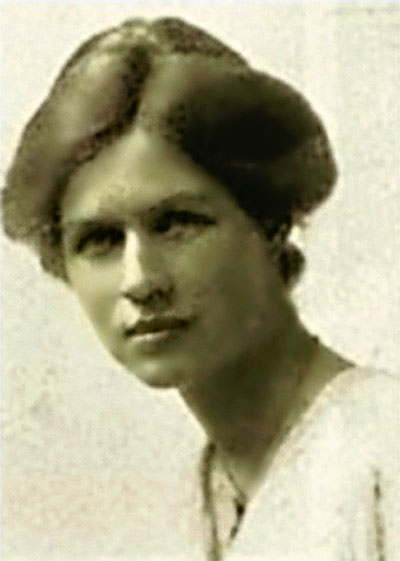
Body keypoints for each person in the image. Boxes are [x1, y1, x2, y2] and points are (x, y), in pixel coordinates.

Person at [2, 16, 399, 561]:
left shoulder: (384, 452)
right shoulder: (191, 497)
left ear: (270, 223)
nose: (141, 281)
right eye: (100, 240)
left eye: (177, 224)